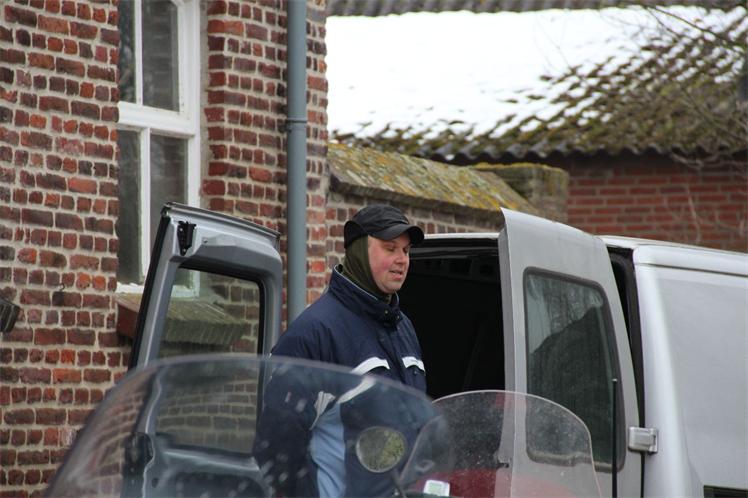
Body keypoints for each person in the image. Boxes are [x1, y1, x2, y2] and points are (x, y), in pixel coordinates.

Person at [253, 204, 427, 497]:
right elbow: (277, 446)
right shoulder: (315, 332)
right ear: (359, 251)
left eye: (406, 251)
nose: (402, 260)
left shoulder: (403, 327)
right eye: (390, 249)